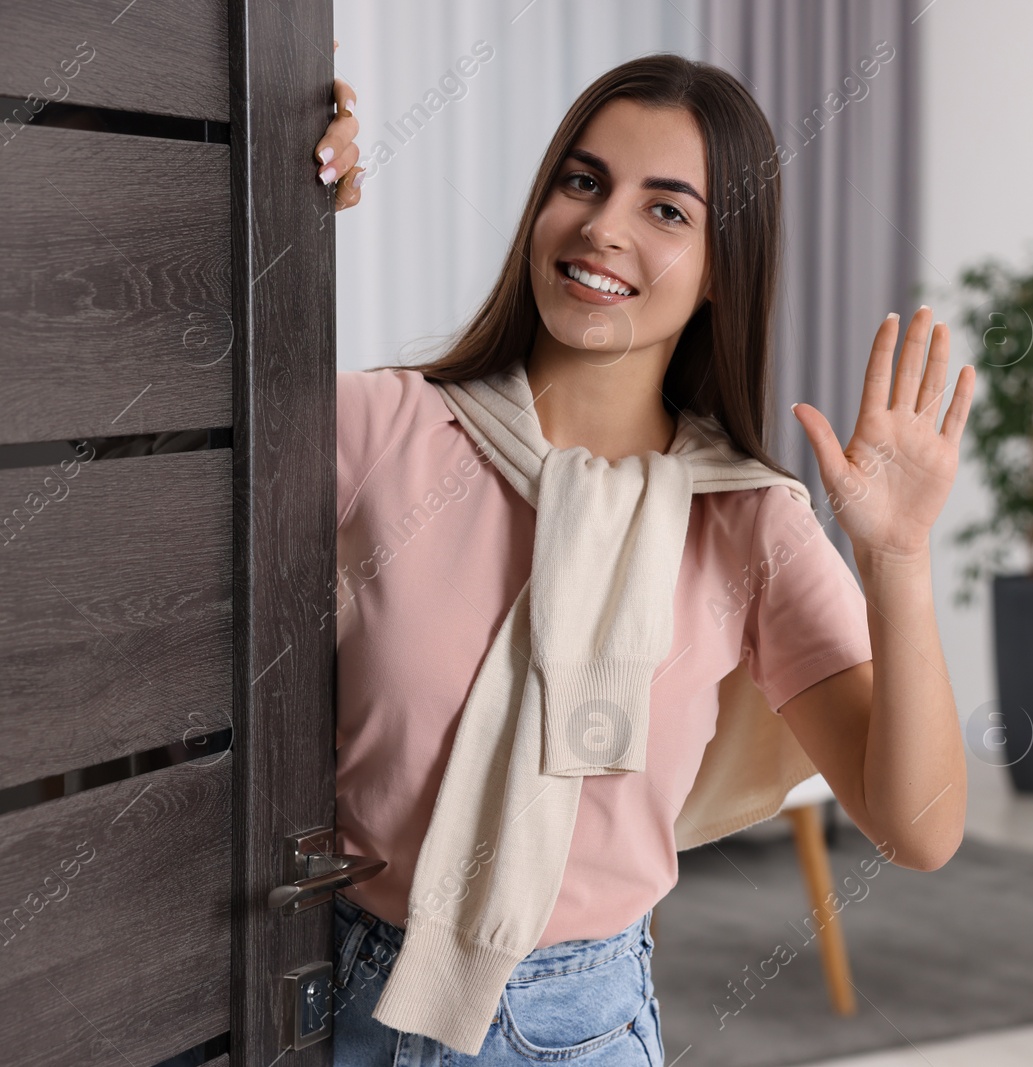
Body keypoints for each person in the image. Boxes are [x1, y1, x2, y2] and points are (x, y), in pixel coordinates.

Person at [314, 47, 972, 1066]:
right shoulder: (376, 427)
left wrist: (896, 557)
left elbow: (918, 827)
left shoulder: (747, 522)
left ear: (722, 270)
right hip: (328, 995)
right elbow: (159, 432)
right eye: (583, 181)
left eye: (668, 210)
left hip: (574, 1027)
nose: (603, 227)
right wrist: (274, 193)